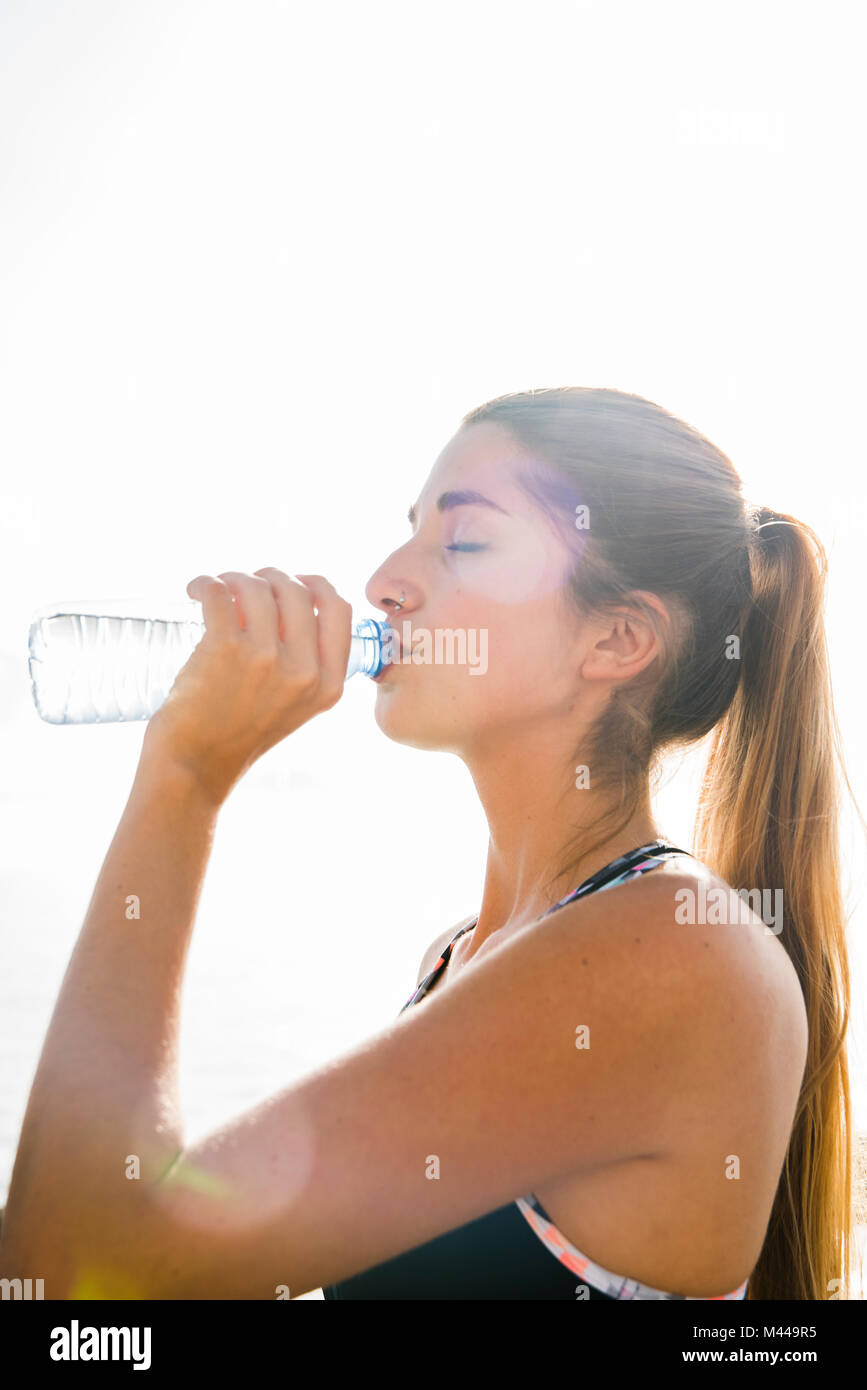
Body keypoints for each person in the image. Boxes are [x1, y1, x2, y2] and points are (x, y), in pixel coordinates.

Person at [0, 387, 855, 1300]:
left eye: (465, 543)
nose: (382, 581)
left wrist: (183, 781)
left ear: (614, 638)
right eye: (408, 531)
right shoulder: (463, 954)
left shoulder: (680, 954)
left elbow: (66, 1280)